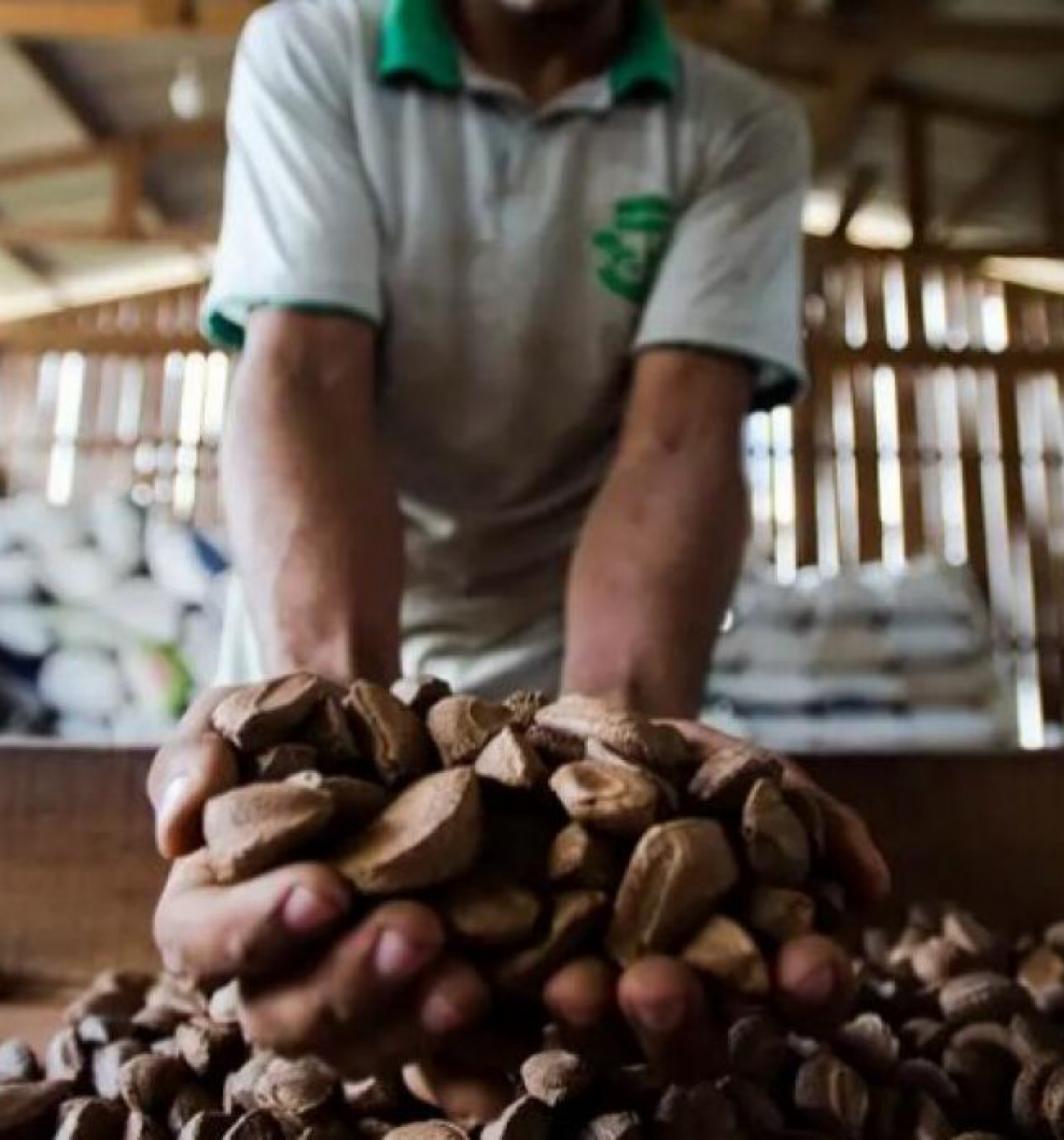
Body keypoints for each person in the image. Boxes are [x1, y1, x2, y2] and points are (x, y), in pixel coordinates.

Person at [150, 0, 891, 1114]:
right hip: (327, 632)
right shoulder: (316, 48)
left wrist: (622, 787)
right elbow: (304, 378)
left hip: (567, 664)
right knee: (299, 1008)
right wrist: (341, 770)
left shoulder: (736, 126)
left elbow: (676, 443)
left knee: (587, 1025)